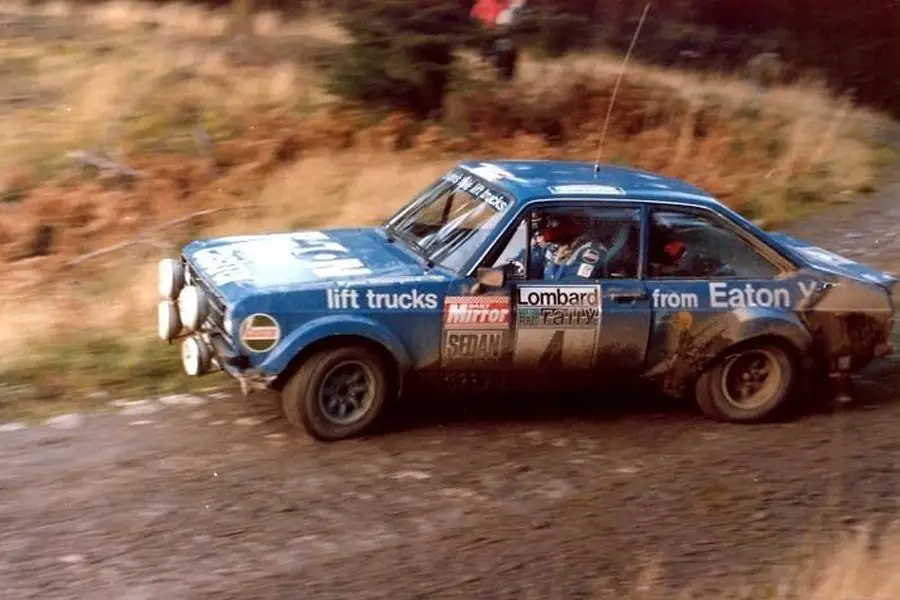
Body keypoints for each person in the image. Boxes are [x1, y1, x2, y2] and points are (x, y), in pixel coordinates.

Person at [507, 210, 610, 281]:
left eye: (553, 221)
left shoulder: (590, 253)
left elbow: (567, 290)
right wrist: (534, 248)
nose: (548, 226)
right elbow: (529, 268)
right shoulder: (555, 245)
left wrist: (557, 261)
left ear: (570, 224)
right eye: (547, 221)